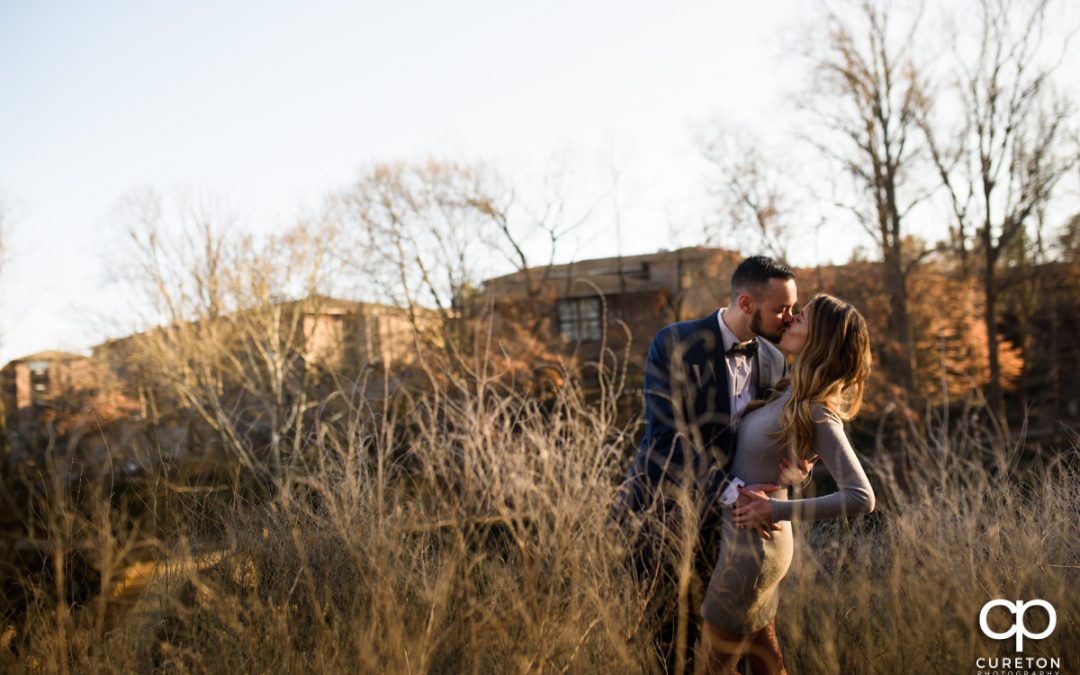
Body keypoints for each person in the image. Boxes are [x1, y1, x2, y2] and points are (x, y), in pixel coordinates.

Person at [612, 256, 813, 672]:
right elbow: (668, 438)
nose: (789, 318)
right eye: (781, 309)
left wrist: (794, 467)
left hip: (736, 531)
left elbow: (764, 438)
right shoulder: (675, 342)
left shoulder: (774, 361)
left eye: (794, 308)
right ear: (746, 303)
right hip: (667, 517)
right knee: (677, 649)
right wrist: (733, 491)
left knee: (731, 651)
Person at [697, 293, 876, 675]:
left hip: (753, 551)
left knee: (712, 669)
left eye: (802, 317)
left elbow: (861, 496)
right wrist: (796, 476)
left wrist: (775, 508)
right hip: (747, 544)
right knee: (767, 666)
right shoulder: (790, 390)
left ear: (820, 339)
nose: (791, 318)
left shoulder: (817, 410)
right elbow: (773, 460)